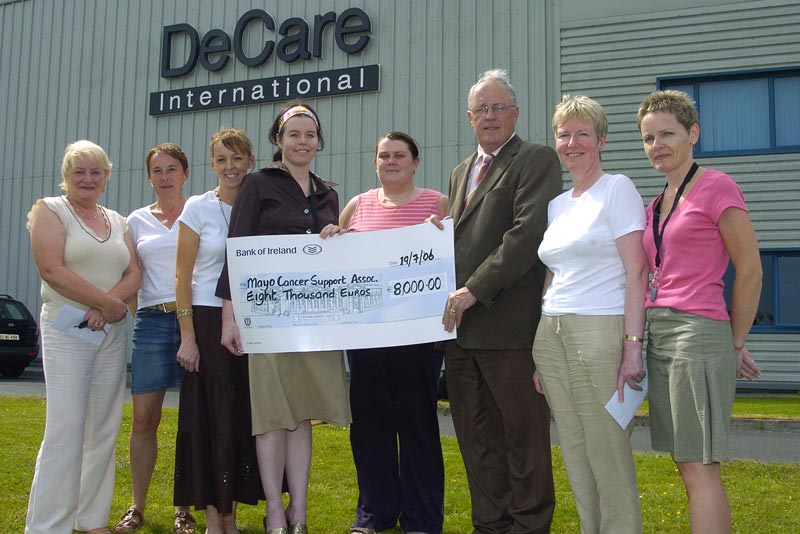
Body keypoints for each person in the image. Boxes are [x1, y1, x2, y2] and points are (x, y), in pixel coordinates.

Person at [430, 69, 562, 533]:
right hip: (461, 335)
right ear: (469, 118)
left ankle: (529, 526)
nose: (490, 116)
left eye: (498, 107)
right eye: (481, 109)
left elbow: (526, 237)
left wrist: (473, 290)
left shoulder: (536, 159)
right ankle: (490, 525)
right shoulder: (460, 172)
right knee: (476, 440)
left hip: (509, 328)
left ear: (516, 113)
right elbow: (459, 240)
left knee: (522, 438)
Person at [216, 101, 351, 534]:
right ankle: (275, 509)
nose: (303, 142)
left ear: (318, 142)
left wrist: (335, 238)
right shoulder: (257, 185)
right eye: (294, 134)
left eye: (310, 134)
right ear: (278, 140)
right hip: (268, 319)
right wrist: (228, 317)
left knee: (303, 414)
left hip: (314, 321)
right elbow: (235, 251)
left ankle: (300, 511)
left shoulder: (327, 192)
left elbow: (339, 260)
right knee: (273, 415)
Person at [636, 90, 762, 534]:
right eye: (649, 138)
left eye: (667, 133)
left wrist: (734, 341)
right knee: (683, 460)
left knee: (699, 464)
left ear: (693, 133)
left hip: (697, 331)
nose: (658, 145)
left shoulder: (716, 186)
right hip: (661, 333)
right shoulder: (656, 203)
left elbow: (750, 270)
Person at [531, 95, 647, 533]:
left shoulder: (617, 188)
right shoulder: (557, 205)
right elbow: (552, 272)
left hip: (600, 329)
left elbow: (637, 270)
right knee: (575, 452)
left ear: (600, 139)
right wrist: (541, 351)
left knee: (607, 450)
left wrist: (632, 346)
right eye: (564, 134)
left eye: (582, 133)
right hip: (551, 331)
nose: (572, 142)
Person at [25, 140, 142, 534]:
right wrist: (104, 305)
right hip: (67, 327)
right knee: (66, 427)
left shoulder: (117, 220)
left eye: (96, 172)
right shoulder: (50, 211)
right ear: (66, 176)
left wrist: (108, 307)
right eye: (80, 171)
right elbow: (51, 270)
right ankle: (47, 525)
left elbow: (134, 274)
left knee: (104, 426)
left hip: (110, 329)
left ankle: (91, 519)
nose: (88, 179)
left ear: (107, 176)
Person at [339, 131, 448, 534]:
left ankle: (421, 519)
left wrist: (443, 234)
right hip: (367, 339)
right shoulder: (357, 206)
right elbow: (338, 264)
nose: (390, 162)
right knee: (369, 429)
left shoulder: (438, 203)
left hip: (418, 340)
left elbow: (454, 261)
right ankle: (374, 514)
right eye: (383, 156)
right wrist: (334, 238)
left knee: (418, 429)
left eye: (399, 155)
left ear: (415, 162)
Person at [173, 128, 262, 534]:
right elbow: (182, 276)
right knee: (211, 420)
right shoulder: (197, 208)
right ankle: (214, 519)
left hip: (252, 322)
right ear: (212, 164)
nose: (230, 167)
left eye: (237, 158)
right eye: (222, 159)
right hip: (207, 323)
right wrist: (187, 336)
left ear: (250, 161)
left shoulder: (260, 204)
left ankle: (233, 516)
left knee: (242, 419)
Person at [114, 143, 191, 532]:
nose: (165, 177)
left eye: (172, 169)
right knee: (145, 419)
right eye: (157, 170)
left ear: (186, 174)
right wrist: (146, 314)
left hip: (194, 321)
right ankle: (136, 505)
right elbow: (131, 278)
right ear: (149, 177)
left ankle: (184, 508)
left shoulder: (200, 213)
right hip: (152, 322)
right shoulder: (136, 221)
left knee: (193, 421)